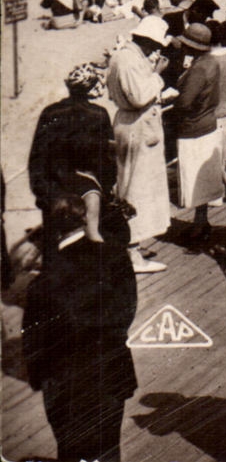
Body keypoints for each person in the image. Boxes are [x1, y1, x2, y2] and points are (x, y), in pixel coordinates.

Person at [22, 193, 139, 462]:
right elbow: (127, 309)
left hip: (66, 386)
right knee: (109, 448)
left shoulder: (43, 283)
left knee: (71, 451)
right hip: (111, 372)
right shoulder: (114, 255)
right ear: (83, 218)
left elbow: (34, 343)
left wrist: (41, 379)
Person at [106, 13, 172, 273]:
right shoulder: (128, 60)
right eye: (154, 45)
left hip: (133, 124)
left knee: (134, 184)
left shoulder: (126, 56)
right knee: (136, 188)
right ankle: (131, 249)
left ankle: (132, 243)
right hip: (137, 126)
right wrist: (157, 76)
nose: (155, 50)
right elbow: (138, 97)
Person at [28, 64, 119, 250]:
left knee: (54, 241)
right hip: (86, 183)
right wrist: (107, 188)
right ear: (92, 88)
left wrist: (41, 191)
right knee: (92, 237)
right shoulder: (98, 114)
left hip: (53, 183)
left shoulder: (50, 111)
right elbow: (106, 159)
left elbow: (37, 155)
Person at [168, 22, 226, 248]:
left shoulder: (198, 69)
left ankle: (199, 227)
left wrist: (172, 100)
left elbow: (185, 102)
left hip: (192, 128)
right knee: (204, 178)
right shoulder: (212, 62)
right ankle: (201, 221)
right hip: (208, 123)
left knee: (193, 177)